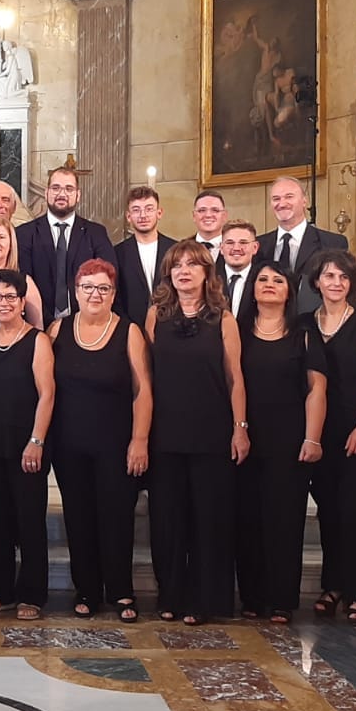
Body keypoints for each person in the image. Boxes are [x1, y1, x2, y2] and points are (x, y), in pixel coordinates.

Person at [144, 241, 249, 624]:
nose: (184, 271)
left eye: (192, 264)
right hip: (167, 430)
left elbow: (235, 377)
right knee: (169, 518)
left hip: (211, 430)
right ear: (169, 274)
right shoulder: (156, 315)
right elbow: (148, 375)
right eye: (177, 265)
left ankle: (208, 600)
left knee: (210, 517)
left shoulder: (222, 318)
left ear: (207, 272)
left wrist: (240, 428)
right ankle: (171, 595)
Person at [49, 258, 152, 621]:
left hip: (116, 444)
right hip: (68, 445)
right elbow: (45, 389)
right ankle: (87, 590)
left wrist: (139, 440)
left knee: (117, 517)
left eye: (103, 288)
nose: (95, 293)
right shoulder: (58, 329)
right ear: (76, 292)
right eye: (88, 287)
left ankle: (122, 590)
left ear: (113, 293)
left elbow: (142, 391)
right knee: (78, 518)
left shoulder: (130, 331)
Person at [0, 269, 54, 620]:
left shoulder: (38, 341)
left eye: (10, 297)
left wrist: (36, 441)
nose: (3, 303)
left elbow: (47, 394)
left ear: (21, 302)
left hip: (25, 445)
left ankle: (32, 594)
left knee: (29, 520)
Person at [238, 263, 326, 622]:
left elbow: (317, 388)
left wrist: (313, 437)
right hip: (244, 437)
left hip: (289, 439)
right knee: (247, 519)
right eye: (262, 280)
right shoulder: (237, 330)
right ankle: (251, 598)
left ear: (290, 291)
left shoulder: (304, 333)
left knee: (284, 519)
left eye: (278, 281)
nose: (269, 285)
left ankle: (281, 600)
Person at [305, 249, 356, 625]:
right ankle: (332, 585)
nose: (335, 283)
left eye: (343, 278)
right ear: (317, 281)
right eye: (329, 276)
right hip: (318, 432)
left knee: (353, 509)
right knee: (328, 510)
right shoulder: (305, 324)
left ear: (352, 285)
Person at [18, 166, 117, 321]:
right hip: (36, 323)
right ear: (46, 193)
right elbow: (22, 280)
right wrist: (44, 322)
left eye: (69, 189)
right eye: (56, 188)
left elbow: (107, 278)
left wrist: (78, 323)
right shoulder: (24, 234)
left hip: (85, 323)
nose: (62, 194)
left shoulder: (96, 233)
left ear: (78, 195)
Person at [256, 177, 347, 314]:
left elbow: (348, 288)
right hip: (268, 324)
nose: (282, 203)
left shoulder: (333, 243)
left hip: (316, 324)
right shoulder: (258, 245)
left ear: (304, 201)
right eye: (276, 199)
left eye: (289, 197)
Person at [114, 185, 175, 324]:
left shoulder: (175, 249)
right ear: (128, 216)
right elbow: (115, 296)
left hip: (170, 327)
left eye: (149, 209)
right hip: (130, 327)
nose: (143, 215)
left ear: (159, 213)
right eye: (136, 210)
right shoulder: (117, 253)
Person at [217, 219, 260, 323]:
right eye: (230, 243)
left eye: (243, 242)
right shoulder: (208, 280)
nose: (236, 248)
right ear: (221, 248)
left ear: (255, 247)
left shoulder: (263, 281)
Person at [192, 189, 227, 259]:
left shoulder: (234, 248)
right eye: (202, 210)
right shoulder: (180, 249)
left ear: (224, 216)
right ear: (194, 216)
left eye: (215, 210)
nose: (208, 215)